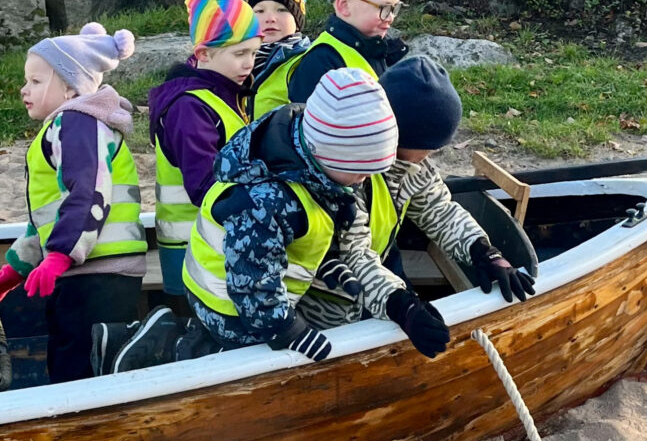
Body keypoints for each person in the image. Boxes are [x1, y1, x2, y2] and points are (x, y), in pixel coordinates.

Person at [179, 68, 450, 362]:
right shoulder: (266, 202)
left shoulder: (316, 169)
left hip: (260, 288)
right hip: (225, 303)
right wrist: (289, 330)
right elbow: (252, 281)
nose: (363, 181)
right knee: (253, 359)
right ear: (328, 153)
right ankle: (186, 348)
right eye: (359, 170)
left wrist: (328, 262)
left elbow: (313, 231)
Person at [299, 56, 534, 329]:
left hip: (373, 286)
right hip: (324, 306)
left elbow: (439, 210)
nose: (432, 153)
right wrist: (402, 305)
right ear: (403, 136)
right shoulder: (348, 174)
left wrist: (483, 252)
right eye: (430, 145)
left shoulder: (412, 165)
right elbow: (354, 255)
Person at [0, 23, 147, 383]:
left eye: (37, 82)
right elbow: (49, 214)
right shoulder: (65, 126)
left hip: (98, 273)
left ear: (71, 87)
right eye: (26, 81)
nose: (25, 90)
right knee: (72, 356)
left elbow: (87, 193)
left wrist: (58, 256)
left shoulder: (76, 123)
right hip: (90, 267)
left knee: (78, 369)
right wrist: (18, 267)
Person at [147, 0, 260, 306]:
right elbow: (205, 186)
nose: (249, 63)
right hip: (194, 254)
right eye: (239, 54)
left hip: (214, 247)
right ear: (203, 54)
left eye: (253, 52)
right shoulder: (190, 107)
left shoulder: (226, 96)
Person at [253, 0, 408, 117]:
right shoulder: (320, 61)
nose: (390, 17)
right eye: (383, 8)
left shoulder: (375, 49)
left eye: (394, 8)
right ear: (343, 6)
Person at [245, 0, 309, 105]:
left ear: (297, 21)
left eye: (281, 10)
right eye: (259, 11)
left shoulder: (307, 62)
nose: (270, 18)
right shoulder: (233, 61)